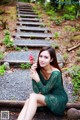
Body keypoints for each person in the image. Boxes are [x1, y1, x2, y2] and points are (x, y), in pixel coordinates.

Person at [17, 46, 68, 120]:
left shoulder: (56, 73)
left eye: (46, 57)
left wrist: (37, 80)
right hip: (48, 96)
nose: (42, 59)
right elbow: (37, 91)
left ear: (51, 59)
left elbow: (43, 91)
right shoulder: (39, 69)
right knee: (28, 101)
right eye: (41, 56)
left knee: (33, 96)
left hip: (59, 99)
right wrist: (34, 73)